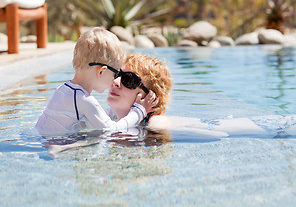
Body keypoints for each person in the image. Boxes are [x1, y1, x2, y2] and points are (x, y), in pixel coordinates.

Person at [106, 53, 296, 140]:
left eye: (129, 80)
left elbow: (217, 135)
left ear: (150, 98)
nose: (115, 82)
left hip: (268, 127)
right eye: (117, 74)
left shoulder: (155, 125)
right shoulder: (124, 120)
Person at [35, 27, 158, 137]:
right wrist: (139, 111)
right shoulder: (85, 100)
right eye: (115, 74)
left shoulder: (63, 89)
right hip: (58, 148)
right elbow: (112, 130)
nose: (115, 81)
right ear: (101, 72)